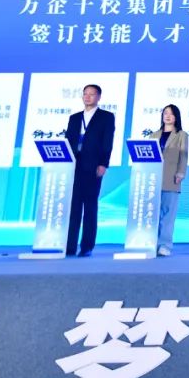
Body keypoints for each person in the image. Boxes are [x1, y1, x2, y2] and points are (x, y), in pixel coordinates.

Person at [64, 84, 116, 257]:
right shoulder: (74, 118)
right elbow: (68, 141)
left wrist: (103, 163)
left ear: (98, 97)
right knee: (73, 206)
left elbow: (107, 142)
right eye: (85, 94)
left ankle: (87, 246)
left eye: (91, 94)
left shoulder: (106, 117)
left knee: (90, 206)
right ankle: (69, 245)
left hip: (93, 166)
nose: (87, 97)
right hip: (74, 166)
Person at [150, 104, 188, 257]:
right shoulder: (154, 135)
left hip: (171, 177)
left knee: (168, 214)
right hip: (153, 178)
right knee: (153, 213)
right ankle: (151, 243)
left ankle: (165, 245)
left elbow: (184, 155)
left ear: (176, 117)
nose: (167, 116)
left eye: (171, 114)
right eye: (165, 113)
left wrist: (181, 173)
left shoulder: (181, 135)